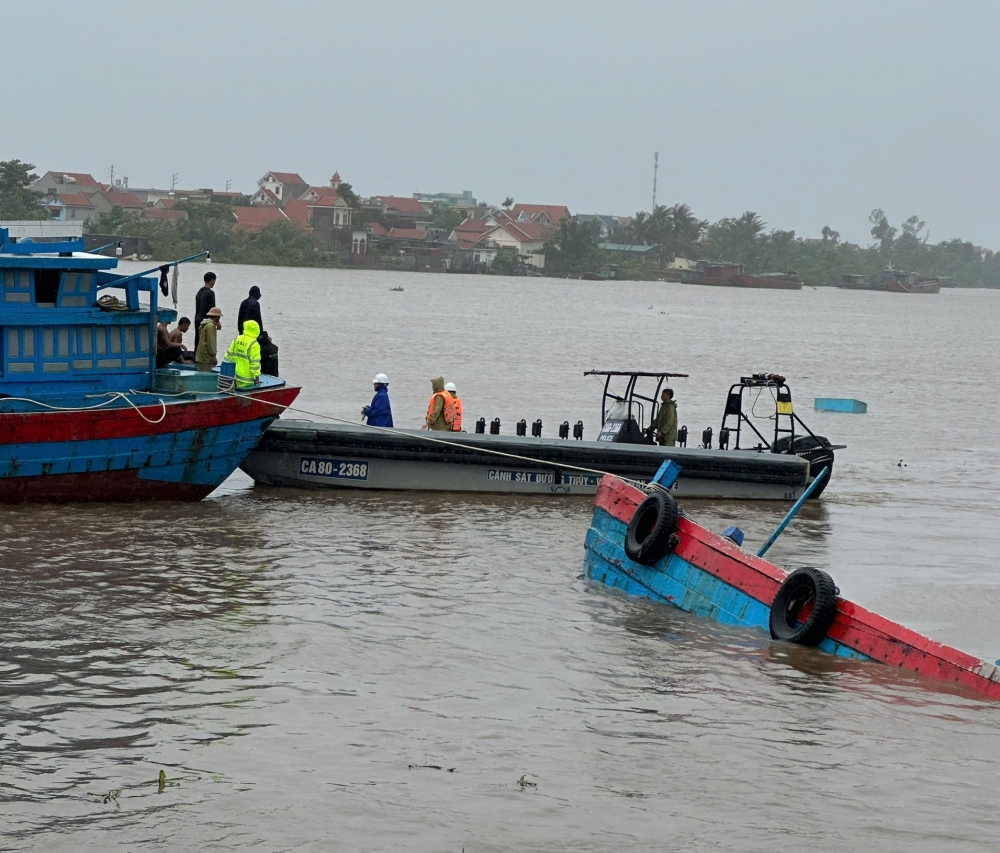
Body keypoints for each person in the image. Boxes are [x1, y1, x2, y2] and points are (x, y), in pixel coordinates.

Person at [223, 319, 262, 389]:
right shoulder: (254, 344)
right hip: (247, 379)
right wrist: (257, 378)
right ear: (257, 330)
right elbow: (255, 364)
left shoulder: (237, 339)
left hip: (234, 376)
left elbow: (228, 356)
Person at [194, 271, 217, 353]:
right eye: (214, 281)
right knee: (207, 341)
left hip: (197, 319)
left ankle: (196, 357)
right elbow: (213, 310)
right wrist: (217, 322)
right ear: (212, 280)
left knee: (198, 340)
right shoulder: (210, 293)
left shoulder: (199, 292)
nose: (214, 283)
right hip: (206, 320)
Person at [195, 307, 222, 372]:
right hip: (206, 357)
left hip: (200, 355)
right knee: (205, 375)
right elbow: (211, 342)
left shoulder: (204, 324)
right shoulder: (210, 326)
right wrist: (213, 356)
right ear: (217, 317)